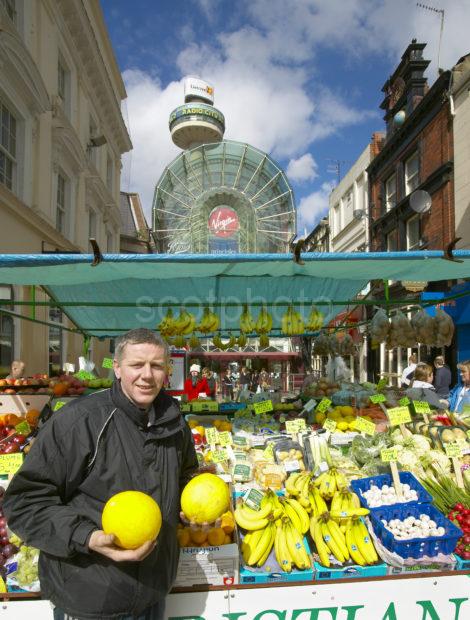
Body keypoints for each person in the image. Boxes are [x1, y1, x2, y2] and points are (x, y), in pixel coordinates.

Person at [4, 328, 198, 620]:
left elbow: (184, 479)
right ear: (117, 368)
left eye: (157, 365)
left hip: (153, 593)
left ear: (167, 371)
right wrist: (88, 537)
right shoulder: (77, 422)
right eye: (137, 365)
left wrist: (193, 509)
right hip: (89, 597)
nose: (147, 375)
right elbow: (25, 502)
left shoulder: (174, 422)